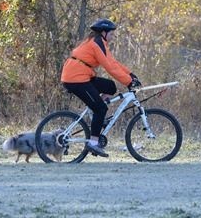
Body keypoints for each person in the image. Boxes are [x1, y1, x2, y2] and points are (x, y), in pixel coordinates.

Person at [60, 18, 141, 157]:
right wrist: (128, 82)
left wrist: (130, 75)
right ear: (104, 32)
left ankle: (97, 115)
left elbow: (113, 62)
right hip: (76, 79)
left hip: (82, 76)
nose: (113, 35)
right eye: (111, 33)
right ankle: (93, 143)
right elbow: (109, 68)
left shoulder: (100, 42)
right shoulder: (96, 44)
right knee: (101, 108)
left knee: (110, 86)